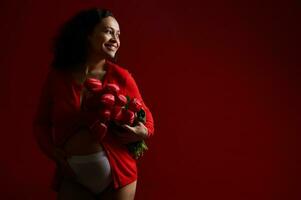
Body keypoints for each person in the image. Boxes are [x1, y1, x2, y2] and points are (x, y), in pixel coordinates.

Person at [33, 8, 154, 200]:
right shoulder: (58, 77)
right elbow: (40, 123)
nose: (116, 39)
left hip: (118, 174)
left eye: (118, 34)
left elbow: (148, 122)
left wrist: (141, 132)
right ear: (87, 35)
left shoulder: (121, 77)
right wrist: (53, 152)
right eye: (108, 31)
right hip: (73, 176)